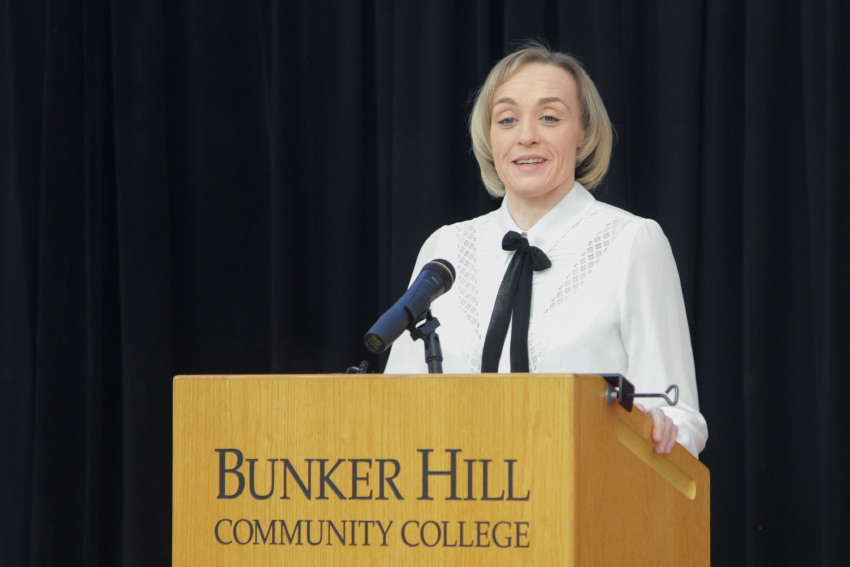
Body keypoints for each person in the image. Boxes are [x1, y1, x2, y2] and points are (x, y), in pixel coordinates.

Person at [383, 43, 708, 458]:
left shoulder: (634, 242)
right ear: (489, 137)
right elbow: (394, 407)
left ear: (584, 135)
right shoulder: (445, 246)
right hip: (460, 511)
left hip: (589, 506)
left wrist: (661, 426)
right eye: (507, 119)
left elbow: (681, 418)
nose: (526, 135)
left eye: (550, 117)